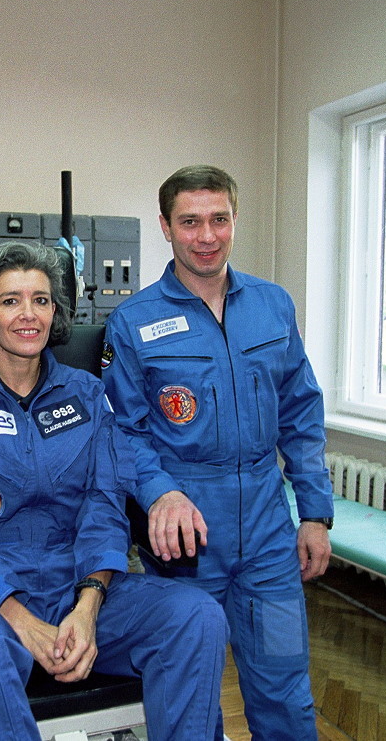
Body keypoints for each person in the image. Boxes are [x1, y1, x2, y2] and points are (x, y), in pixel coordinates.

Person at [0, 242, 229, 741]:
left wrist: (88, 605)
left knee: (197, 616)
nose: (28, 314)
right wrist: (21, 619)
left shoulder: (87, 394)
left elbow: (105, 505)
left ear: (55, 311)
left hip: (80, 581)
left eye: (40, 300)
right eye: (10, 301)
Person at [101, 165, 333, 740]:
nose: (206, 236)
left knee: (286, 691)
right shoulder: (133, 322)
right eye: (190, 222)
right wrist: (161, 493)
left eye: (219, 219)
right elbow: (123, 432)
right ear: (165, 226)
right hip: (185, 537)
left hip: (268, 533)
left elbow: (301, 413)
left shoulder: (274, 306)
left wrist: (315, 513)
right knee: (193, 701)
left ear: (235, 219)